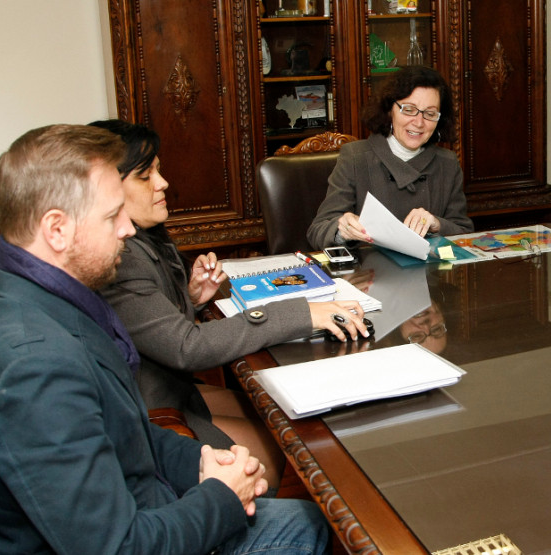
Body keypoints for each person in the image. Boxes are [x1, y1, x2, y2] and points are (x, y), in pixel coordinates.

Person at [0, 124, 329, 553]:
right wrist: (222, 496)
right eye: (112, 215)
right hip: (141, 531)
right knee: (304, 524)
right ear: (57, 229)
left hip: (150, 502)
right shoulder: (36, 367)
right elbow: (117, 547)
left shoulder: (47, 299)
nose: (127, 230)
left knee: (304, 517)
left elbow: (129, 433)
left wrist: (204, 460)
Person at [90, 119, 367, 489]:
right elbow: (187, 348)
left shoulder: (145, 236)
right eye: (146, 176)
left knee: (283, 419)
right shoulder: (123, 253)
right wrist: (304, 312)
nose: (163, 183)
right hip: (154, 409)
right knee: (291, 444)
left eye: (158, 169)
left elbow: (144, 323)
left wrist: (188, 298)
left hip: (171, 390)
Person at [306, 65, 474, 250]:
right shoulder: (354, 158)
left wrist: (436, 224)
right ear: (389, 110)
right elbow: (317, 231)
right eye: (409, 109)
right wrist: (342, 230)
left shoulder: (448, 163)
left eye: (430, 114)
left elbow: (464, 233)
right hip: (369, 275)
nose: (419, 122)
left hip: (429, 276)